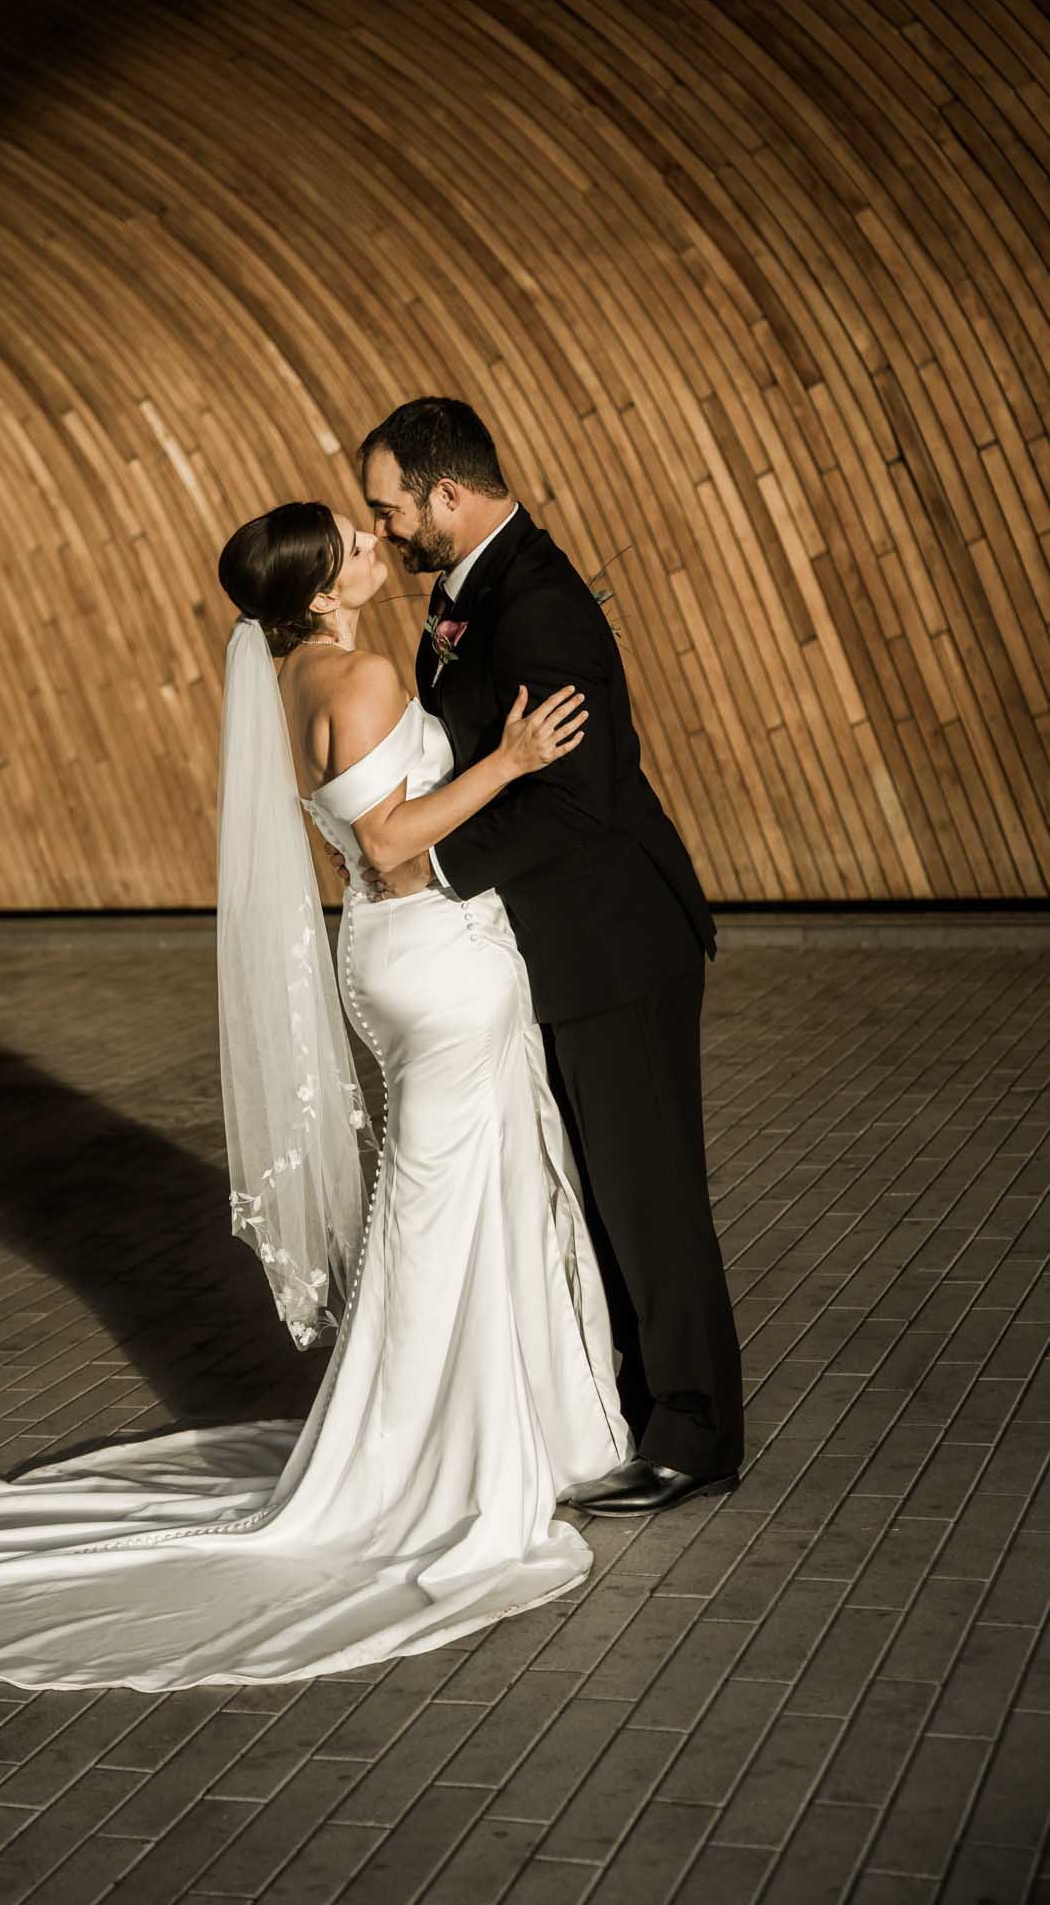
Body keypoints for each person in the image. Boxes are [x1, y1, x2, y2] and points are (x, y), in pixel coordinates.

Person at [0, 498, 634, 1692]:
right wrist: (509, 761)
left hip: (392, 960)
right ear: (320, 585)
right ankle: (421, 1466)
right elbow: (393, 844)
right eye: (355, 542)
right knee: (441, 1213)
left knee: (456, 1199)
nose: (375, 547)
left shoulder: (300, 673)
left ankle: (481, 1432)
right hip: (431, 956)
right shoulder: (356, 677)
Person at [357, 397, 743, 1514]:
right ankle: (632, 1407)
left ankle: (696, 1435)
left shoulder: (539, 606)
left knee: (649, 1194)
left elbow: (577, 800)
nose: (383, 530)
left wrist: (428, 865)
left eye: (388, 508)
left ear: (446, 493)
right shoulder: (472, 591)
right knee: (604, 1190)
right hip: (556, 945)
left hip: (614, 941)